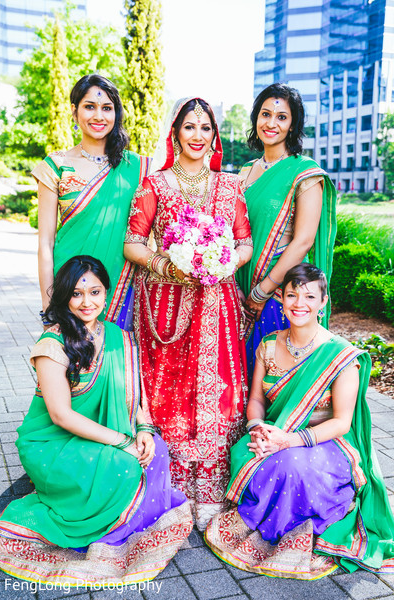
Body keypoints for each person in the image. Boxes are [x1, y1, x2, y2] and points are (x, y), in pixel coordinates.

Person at [0, 256, 192, 586]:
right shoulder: (52, 344)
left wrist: (142, 429)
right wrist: (125, 442)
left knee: (156, 449)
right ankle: (106, 532)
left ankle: (126, 524)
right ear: (64, 297)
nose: (87, 302)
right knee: (124, 466)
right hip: (52, 443)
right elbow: (61, 415)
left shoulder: (117, 336)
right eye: (77, 294)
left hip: (104, 432)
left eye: (95, 292)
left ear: (106, 293)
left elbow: (134, 395)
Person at [205, 264, 394, 579]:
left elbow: (341, 423)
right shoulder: (267, 344)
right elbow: (256, 401)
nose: (299, 303)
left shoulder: (340, 355)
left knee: (291, 464)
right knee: (251, 454)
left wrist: (289, 440)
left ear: (323, 302)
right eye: (292, 294)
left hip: (325, 442)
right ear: (280, 297)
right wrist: (257, 427)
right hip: (275, 433)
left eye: (309, 295)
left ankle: (309, 520)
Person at [124, 97, 253, 529]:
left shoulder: (230, 186)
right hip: (166, 308)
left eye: (205, 127)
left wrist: (225, 263)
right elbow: (133, 243)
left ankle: (212, 489)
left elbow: (244, 242)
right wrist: (169, 265)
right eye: (189, 127)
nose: (197, 135)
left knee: (217, 392)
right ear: (175, 133)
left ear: (214, 134)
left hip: (217, 305)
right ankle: (173, 488)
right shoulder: (155, 185)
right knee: (169, 392)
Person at [32, 74, 150, 330]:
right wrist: (48, 306)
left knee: (118, 364)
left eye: (107, 108)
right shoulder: (56, 166)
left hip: (122, 286)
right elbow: (45, 243)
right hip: (70, 287)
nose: (99, 116)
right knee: (70, 365)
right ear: (74, 112)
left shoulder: (138, 167)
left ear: (116, 114)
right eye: (89, 107)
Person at [235, 83, 336, 376]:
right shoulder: (245, 171)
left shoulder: (305, 172)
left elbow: (303, 240)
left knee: (273, 376)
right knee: (243, 373)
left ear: (293, 125)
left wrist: (262, 291)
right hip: (240, 288)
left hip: (280, 292)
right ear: (256, 118)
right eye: (266, 114)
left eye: (282, 117)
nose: (271, 123)